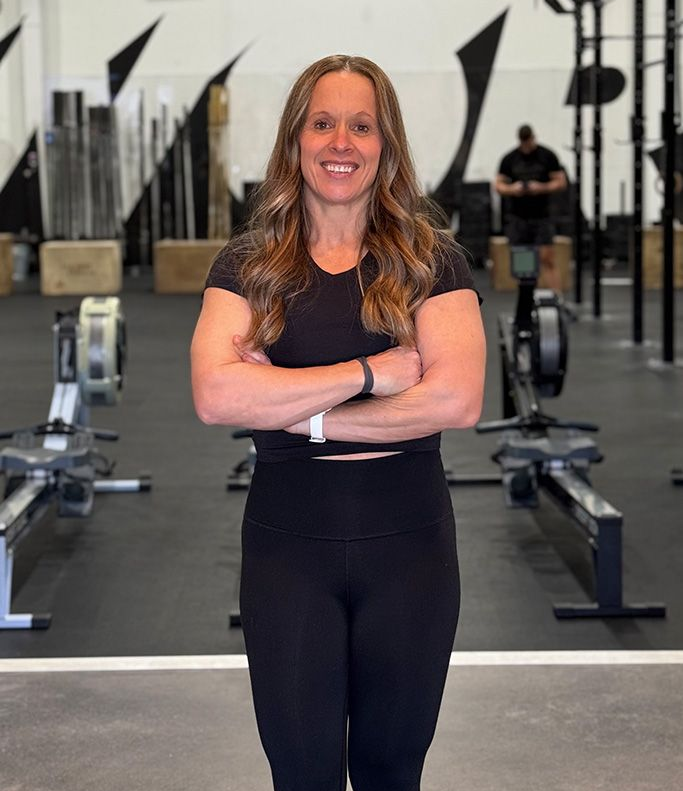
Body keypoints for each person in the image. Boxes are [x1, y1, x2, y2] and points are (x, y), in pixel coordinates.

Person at [191, 54, 486, 791]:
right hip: (288, 549)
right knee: (302, 773)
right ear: (296, 138)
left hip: (410, 547)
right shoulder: (249, 265)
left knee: (391, 771)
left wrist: (300, 416)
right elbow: (217, 396)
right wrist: (368, 375)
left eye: (362, 126)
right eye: (322, 123)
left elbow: (456, 400)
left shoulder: (431, 261)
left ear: (386, 144)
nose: (340, 143)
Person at [495, 124, 568, 291]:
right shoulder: (510, 158)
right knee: (524, 263)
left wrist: (540, 187)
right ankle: (527, 298)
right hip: (519, 217)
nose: (526, 146)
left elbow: (560, 182)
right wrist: (513, 189)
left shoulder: (547, 156)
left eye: (528, 142)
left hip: (541, 216)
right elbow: (498, 185)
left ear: (533, 138)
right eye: (524, 143)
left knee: (547, 258)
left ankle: (556, 297)